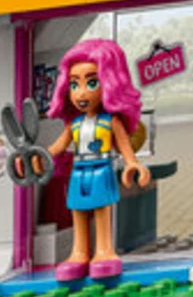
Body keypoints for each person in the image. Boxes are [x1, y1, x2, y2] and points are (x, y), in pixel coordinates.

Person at [39, 37, 149, 283]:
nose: (81, 93)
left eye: (91, 83)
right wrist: (38, 157)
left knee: (101, 210)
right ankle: (79, 252)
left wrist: (133, 164)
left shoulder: (111, 122)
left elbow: (125, 148)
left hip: (101, 168)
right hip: (79, 171)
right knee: (78, 211)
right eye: (74, 84)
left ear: (109, 84)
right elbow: (56, 147)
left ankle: (104, 250)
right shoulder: (74, 124)